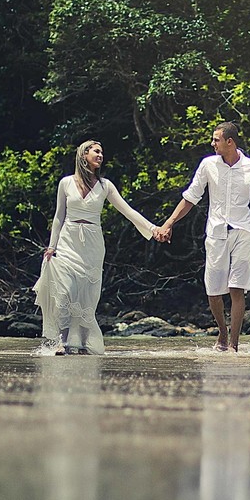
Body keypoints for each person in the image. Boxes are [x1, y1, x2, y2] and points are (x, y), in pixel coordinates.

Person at [33, 139, 169, 355]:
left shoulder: (105, 186)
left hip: (93, 244)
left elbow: (128, 211)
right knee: (64, 291)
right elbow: (59, 217)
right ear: (83, 155)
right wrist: (52, 246)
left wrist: (154, 229)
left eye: (101, 152)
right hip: (68, 241)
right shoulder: (65, 183)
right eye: (96, 151)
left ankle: (81, 344)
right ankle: (60, 341)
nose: (100, 155)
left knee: (86, 296)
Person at [159, 122, 250, 352]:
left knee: (237, 288)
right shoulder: (208, 165)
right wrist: (169, 223)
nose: (212, 143)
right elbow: (191, 197)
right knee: (214, 290)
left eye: (216, 139)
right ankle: (222, 331)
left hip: (243, 231)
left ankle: (234, 344)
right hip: (216, 232)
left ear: (230, 141)